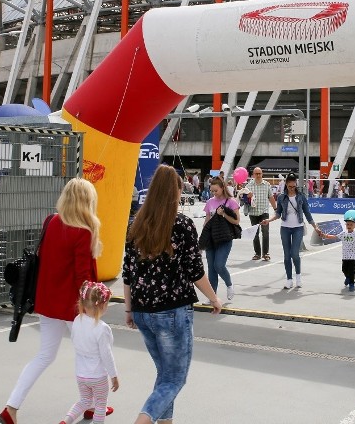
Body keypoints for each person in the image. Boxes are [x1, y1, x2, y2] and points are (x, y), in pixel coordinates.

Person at [0, 178, 105, 424]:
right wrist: (95, 305)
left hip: (47, 302)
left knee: (44, 356)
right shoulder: (84, 231)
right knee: (89, 356)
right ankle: (91, 406)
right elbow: (83, 279)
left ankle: (11, 407)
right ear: (87, 201)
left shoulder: (51, 221)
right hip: (75, 307)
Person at [123, 164, 222, 424]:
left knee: (165, 374)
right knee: (175, 378)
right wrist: (213, 298)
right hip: (172, 311)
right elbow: (195, 270)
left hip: (143, 311)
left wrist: (129, 309)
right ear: (174, 192)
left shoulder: (136, 225)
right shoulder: (182, 224)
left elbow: (128, 271)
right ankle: (142, 421)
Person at [59, 281, 119, 424]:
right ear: (102, 305)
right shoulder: (102, 328)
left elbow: (75, 340)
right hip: (98, 376)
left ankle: (66, 421)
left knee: (84, 401)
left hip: (81, 374)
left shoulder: (77, 321)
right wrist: (114, 376)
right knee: (100, 405)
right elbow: (106, 354)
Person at [262, 173, 324, 289]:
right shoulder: (281, 197)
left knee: (295, 253)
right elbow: (278, 214)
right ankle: (289, 279)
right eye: (289, 186)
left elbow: (307, 213)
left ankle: (298, 277)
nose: (291, 188)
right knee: (286, 256)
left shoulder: (301, 196)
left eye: (293, 186)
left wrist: (315, 227)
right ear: (286, 184)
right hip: (285, 227)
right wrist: (268, 220)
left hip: (298, 227)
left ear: (296, 184)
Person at [202, 177, 239, 302]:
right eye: (211, 191)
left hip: (224, 238)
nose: (213, 193)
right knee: (211, 269)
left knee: (219, 265)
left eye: (216, 191)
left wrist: (223, 214)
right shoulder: (210, 202)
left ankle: (229, 284)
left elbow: (236, 221)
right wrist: (203, 238)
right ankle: (213, 297)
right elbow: (206, 221)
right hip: (211, 239)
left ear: (222, 188)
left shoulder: (231, 202)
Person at [319, 209, 355, 291]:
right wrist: (325, 236)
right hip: (345, 255)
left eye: (351, 224)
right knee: (344, 269)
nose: (349, 226)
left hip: (353, 256)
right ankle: (347, 277)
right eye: (348, 224)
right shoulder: (343, 234)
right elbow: (335, 236)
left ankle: (352, 283)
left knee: (352, 270)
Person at [246, 167, 277, 261]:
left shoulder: (267, 184)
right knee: (255, 234)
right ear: (253, 175)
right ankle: (257, 253)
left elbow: (271, 197)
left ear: (262, 174)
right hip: (253, 213)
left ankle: (265, 253)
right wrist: (247, 197)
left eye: (260, 173)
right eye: (256, 174)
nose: (258, 175)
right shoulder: (248, 186)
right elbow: (245, 201)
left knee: (265, 233)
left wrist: (275, 209)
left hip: (264, 212)